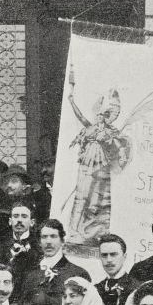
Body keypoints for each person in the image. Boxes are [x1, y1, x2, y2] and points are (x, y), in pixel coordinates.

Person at [64, 82, 130, 246]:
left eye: (103, 115)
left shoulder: (110, 131)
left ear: (106, 116)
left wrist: (121, 155)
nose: (100, 117)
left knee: (98, 198)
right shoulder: (90, 128)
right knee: (82, 196)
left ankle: (95, 233)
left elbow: (120, 145)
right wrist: (72, 101)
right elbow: (80, 117)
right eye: (98, 115)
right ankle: (74, 230)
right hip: (87, 164)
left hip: (101, 166)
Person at [0, 200, 41, 296]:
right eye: (15, 216)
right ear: (10, 221)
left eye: (24, 216)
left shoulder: (39, 247)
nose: (19, 220)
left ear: (32, 222)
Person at [96, 233, 133, 305]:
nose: (109, 260)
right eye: (104, 255)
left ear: (124, 257)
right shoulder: (94, 289)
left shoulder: (136, 288)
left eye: (113, 254)